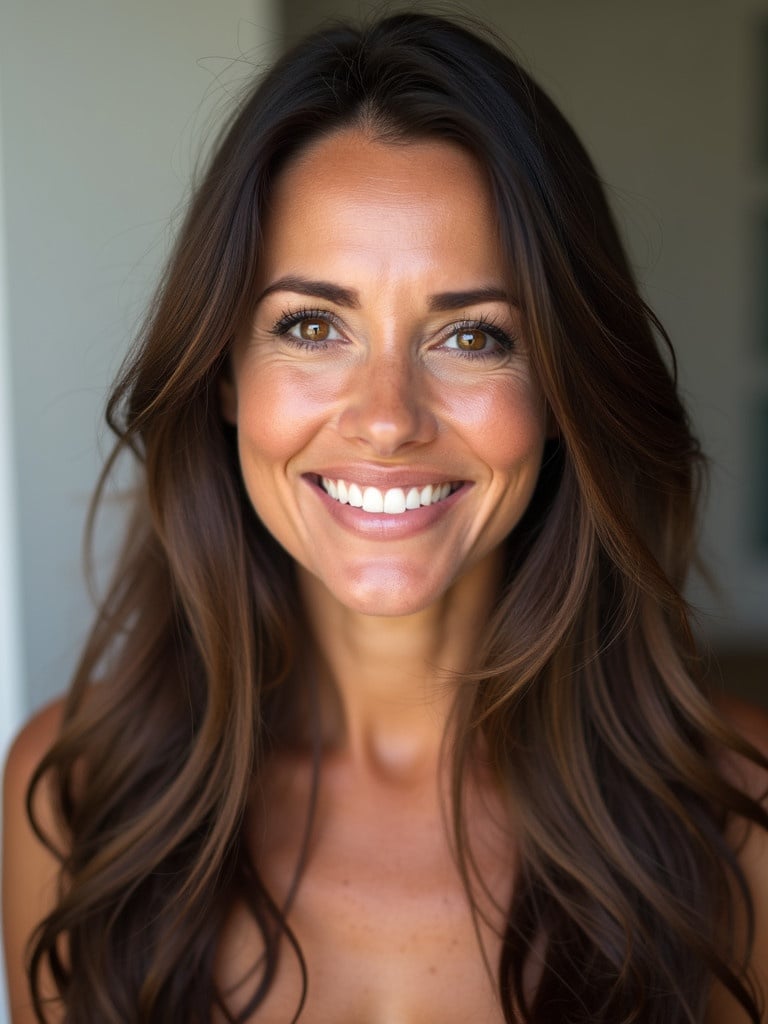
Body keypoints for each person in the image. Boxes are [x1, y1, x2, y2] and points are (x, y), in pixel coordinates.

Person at [3, 11, 768, 1023]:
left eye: (472, 335)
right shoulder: (75, 800)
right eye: (313, 325)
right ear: (225, 373)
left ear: (560, 390)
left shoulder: (739, 821)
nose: (387, 419)